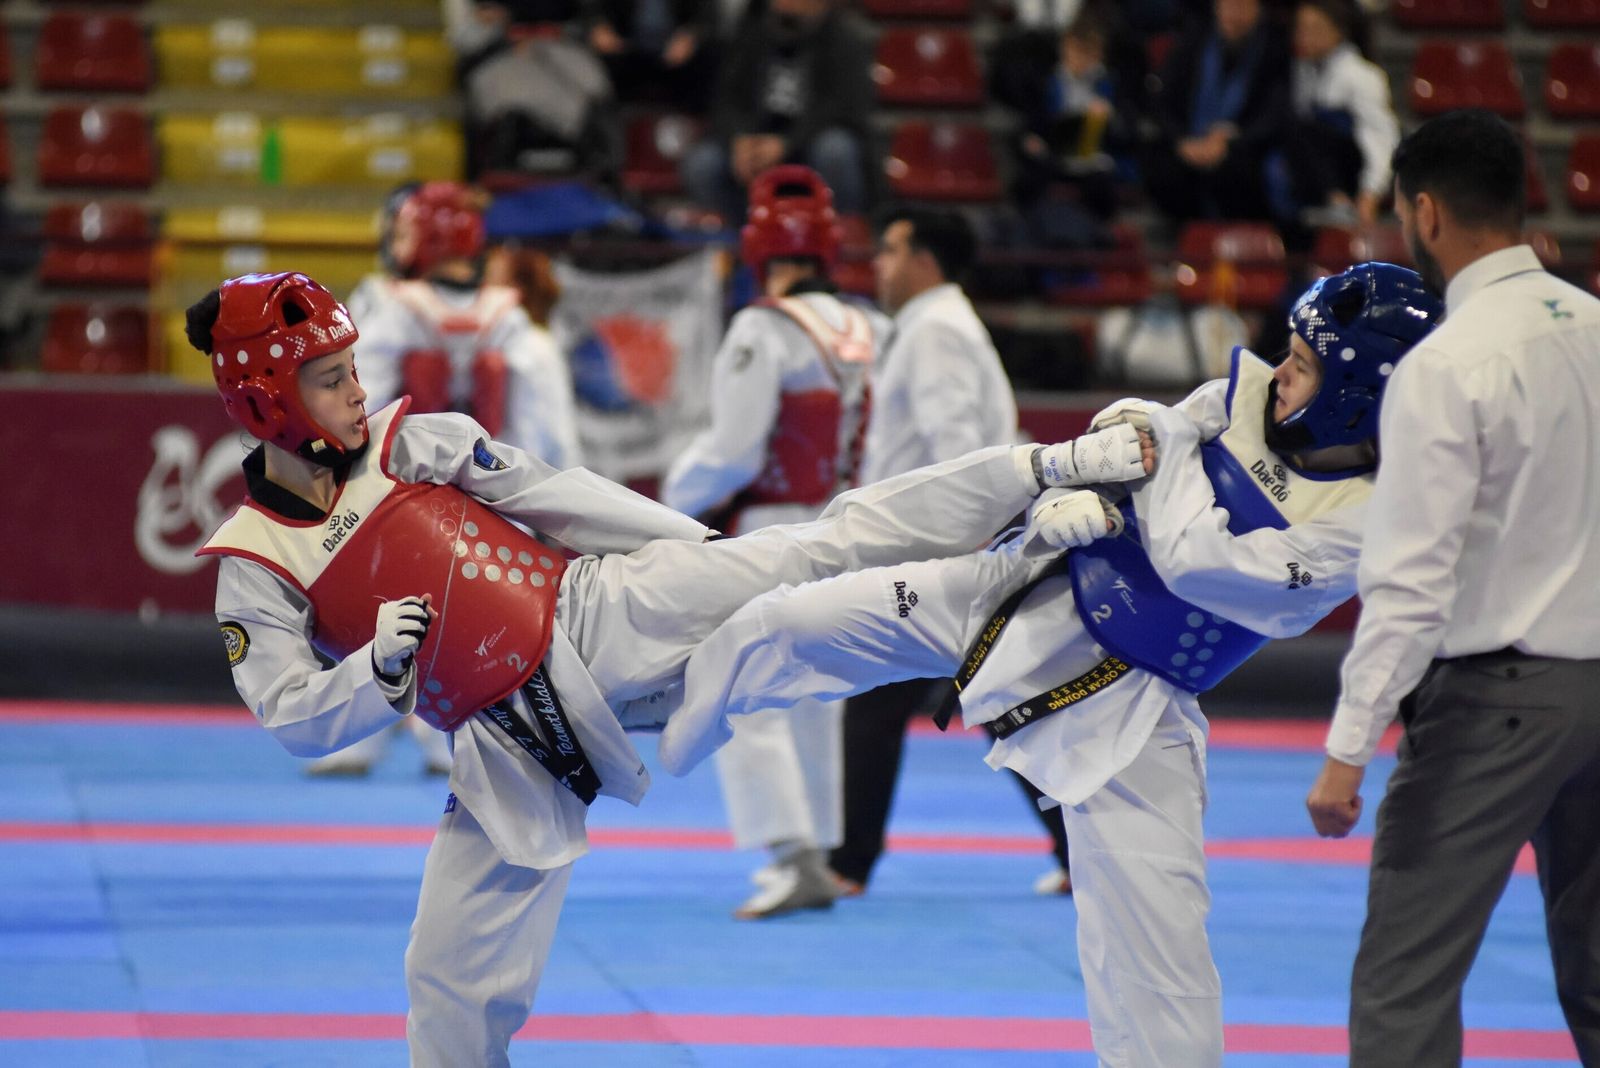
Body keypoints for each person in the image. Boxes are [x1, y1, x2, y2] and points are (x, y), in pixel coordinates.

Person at [187, 270, 1148, 1066]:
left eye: (353, 367)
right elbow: (294, 716)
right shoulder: (259, 565)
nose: (357, 389)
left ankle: (1041, 493)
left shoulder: (414, 444)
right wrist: (377, 677)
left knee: (823, 571)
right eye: (328, 378)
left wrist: (692, 548)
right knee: (442, 981)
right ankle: (1016, 554)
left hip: (601, 617)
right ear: (265, 399)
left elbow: (562, 498)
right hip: (513, 747)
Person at [661, 261, 1444, 1067]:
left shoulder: (1365, 521)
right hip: (1018, 590)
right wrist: (1092, 482)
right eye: (1288, 352)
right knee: (792, 620)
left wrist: (1164, 445)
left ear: (1358, 393)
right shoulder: (1243, 394)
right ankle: (656, 707)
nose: (1280, 375)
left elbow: (1195, 558)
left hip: (1135, 712)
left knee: (1157, 964)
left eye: (1305, 366)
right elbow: (1132, 425)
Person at [1304, 110, 1600, 1068]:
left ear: (1424, 214)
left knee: (1406, 978)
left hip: (1499, 703)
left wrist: (1349, 748)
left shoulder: (1446, 364)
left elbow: (1408, 583)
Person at [830, 207, 1074, 897]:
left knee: (889, 705)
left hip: (940, 550)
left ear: (925, 261)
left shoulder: (935, 330)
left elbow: (956, 448)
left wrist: (955, 552)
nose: (879, 263)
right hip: (954, 545)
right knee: (1003, 704)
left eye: (890, 249)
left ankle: (850, 863)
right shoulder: (942, 324)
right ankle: (1079, 848)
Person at [661, 165, 885, 918]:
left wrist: (668, 503)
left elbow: (733, 451)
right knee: (822, 693)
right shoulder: (874, 328)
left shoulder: (764, 328)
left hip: (776, 528)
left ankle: (791, 855)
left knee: (743, 682)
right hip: (857, 527)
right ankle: (817, 847)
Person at [352, 180, 583, 472]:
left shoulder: (394, 312)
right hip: (496, 486)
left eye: (402, 235)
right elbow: (548, 438)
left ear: (424, 237)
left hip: (410, 486)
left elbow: (364, 415)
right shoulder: (511, 320)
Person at [680, 0, 875, 220]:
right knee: (703, 163)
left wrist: (787, 144)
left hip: (809, 142)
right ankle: (738, 240)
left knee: (835, 149)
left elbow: (843, 108)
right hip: (756, 140)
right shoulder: (751, 32)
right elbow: (725, 99)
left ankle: (838, 234)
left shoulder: (846, 38)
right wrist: (739, 140)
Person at [1142, 0, 1290, 226]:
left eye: (1242, 7)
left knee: (1240, 173)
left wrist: (1233, 138)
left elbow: (1276, 113)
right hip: (1189, 142)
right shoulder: (1193, 41)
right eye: (1228, 5)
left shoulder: (1274, 50)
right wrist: (1183, 141)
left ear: (1258, 10)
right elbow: (1163, 103)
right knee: (1162, 167)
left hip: (1242, 147)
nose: (1233, 14)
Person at [1275, 0, 1397, 232]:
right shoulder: (1302, 71)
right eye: (1301, 28)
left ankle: (1338, 199)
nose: (1305, 36)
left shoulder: (1362, 75)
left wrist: (1370, 193)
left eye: (1315, 28)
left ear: (1338, 31)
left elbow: (1380, 137)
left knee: (1303, 127)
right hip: (1316, 174)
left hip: (1351, 170)